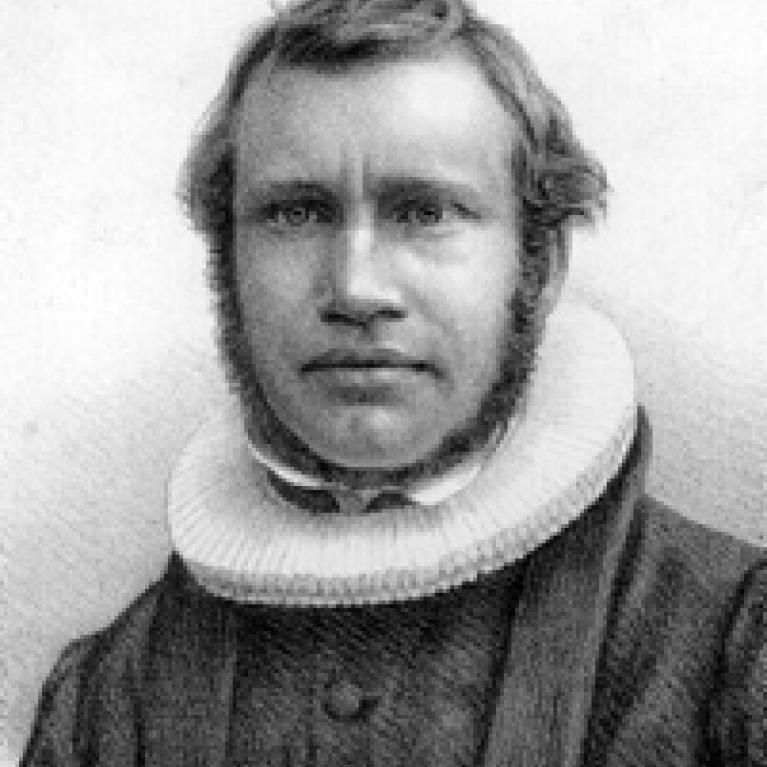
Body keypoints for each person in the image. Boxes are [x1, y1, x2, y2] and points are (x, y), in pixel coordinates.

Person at [20, 1, 765, 765]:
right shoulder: (106, 699)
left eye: (426, 211)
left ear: (539, 266)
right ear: (226, 264)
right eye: (295, 213)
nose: (355, 288)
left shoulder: (730, 645)